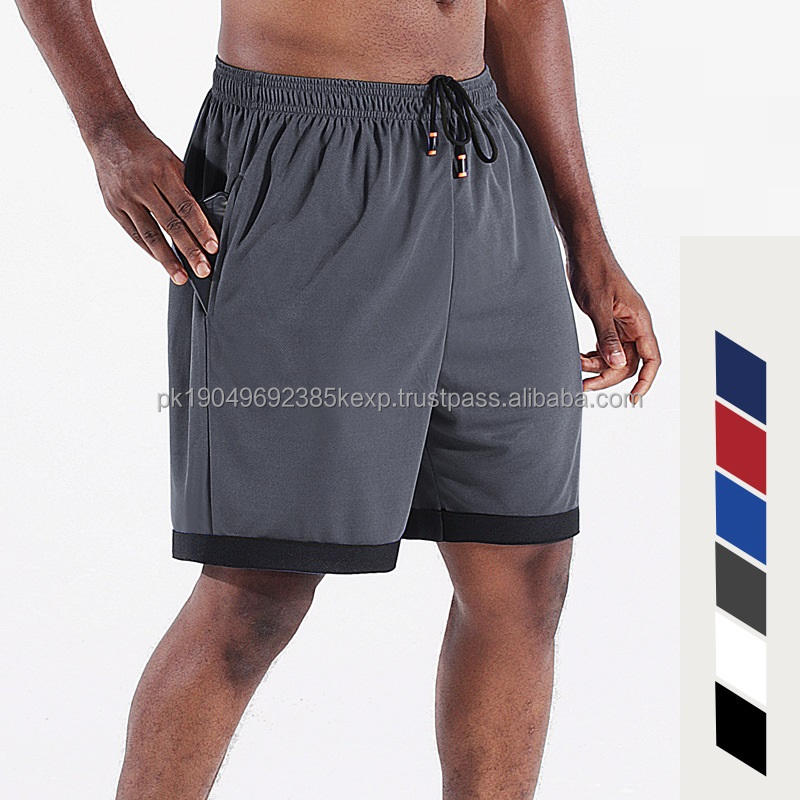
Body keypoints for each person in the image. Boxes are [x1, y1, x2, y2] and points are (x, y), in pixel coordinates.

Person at [16, 1, 661, 797]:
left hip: (485, 166)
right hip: (303, 160)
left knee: (524, 572)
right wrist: (108, 127)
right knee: (258, 593)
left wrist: (587, 241)